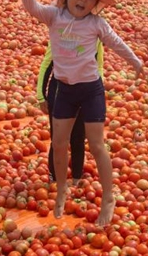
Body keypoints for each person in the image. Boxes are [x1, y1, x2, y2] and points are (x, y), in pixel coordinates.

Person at [20, 0, 143, 227]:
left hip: (91, 90)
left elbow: (116, 42)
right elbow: (33, 9)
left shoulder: (96, 24)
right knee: (60, 142)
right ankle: (62, 189)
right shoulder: (54, 16)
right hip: (64, 90)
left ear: (95, 4)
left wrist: (135, 62)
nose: (83, 0)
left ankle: (108, 197)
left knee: (97, 145)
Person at [37, 39, 104, 184]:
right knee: (58, 139)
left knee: (78, 137)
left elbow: (98, 66)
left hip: (85, 90)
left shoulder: (95, 35)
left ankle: (76, 179)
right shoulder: (60, 30)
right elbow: (47, 64)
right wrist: (41, 96)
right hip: (60, 91)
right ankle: (54, 180)